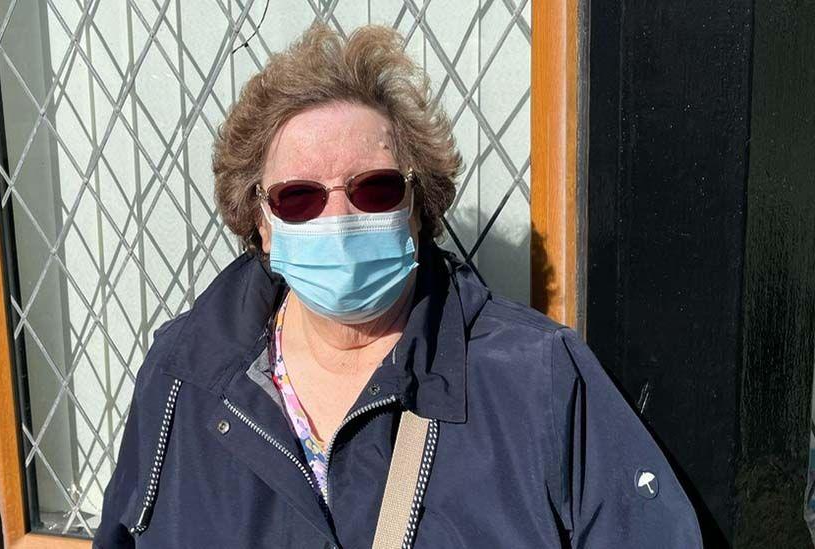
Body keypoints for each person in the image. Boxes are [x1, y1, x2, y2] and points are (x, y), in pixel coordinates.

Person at [94, 22, 701, 548]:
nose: (339, 219)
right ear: (261, 223)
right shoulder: (182, 377)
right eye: (299, 198)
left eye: (374, 189)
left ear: (416, 205)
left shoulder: (539, 379)